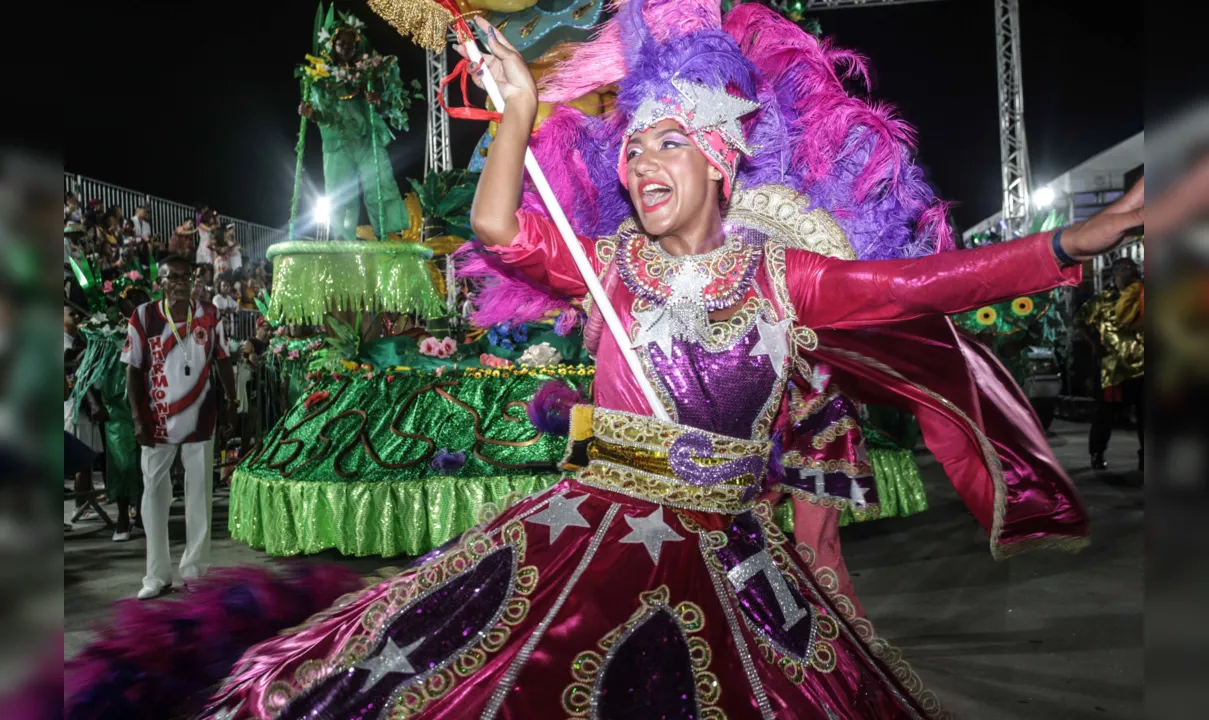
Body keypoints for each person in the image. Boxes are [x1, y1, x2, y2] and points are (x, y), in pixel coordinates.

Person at [67, 4, 1143, 717]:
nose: (637, 164)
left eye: (665, 142)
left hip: (734, 557)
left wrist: (1069, 246)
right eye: (630, 148)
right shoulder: (610, 265)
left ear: (720, 162)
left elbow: (929, 287)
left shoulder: (783, 278)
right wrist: (519, 118)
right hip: (586, 535)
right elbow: (495, 231)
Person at [122, 255, 237, 599]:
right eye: (173, 277)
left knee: (199, 495)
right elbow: (132, 369)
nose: (181, 283)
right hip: (156, 422)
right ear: (160, 282)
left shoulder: (209, 314)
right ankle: (156, 575)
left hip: (200, 418)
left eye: (186, 277)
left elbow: (223, 359)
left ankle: (196, 570)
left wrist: (232, 403)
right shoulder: (143, 316)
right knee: (154, 497)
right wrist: (137, 418)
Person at [298, 10, 413, 240]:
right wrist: (309, 113)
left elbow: (387, 104)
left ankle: (388, 234)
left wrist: (376, 100)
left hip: (366, 139)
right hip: (337, 143)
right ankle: (342, 240)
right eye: (341, 43)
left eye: (351, 43)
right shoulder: (320, 77)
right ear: (332, 45)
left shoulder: (369, 71)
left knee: (380, 185)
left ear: (357, 45)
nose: (346, 47)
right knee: (342, 194)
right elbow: (319, 112)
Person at [1077, 256, 1145, 470]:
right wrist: (1096, 343)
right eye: (1125, 269)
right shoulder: (1103, 299)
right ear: (1115, 273)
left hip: (1143, 365)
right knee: (1104, 414)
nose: (1130, 273)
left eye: (1133, 269)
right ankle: (1097, 453)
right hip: (1112, 367)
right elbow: (1080, 320)